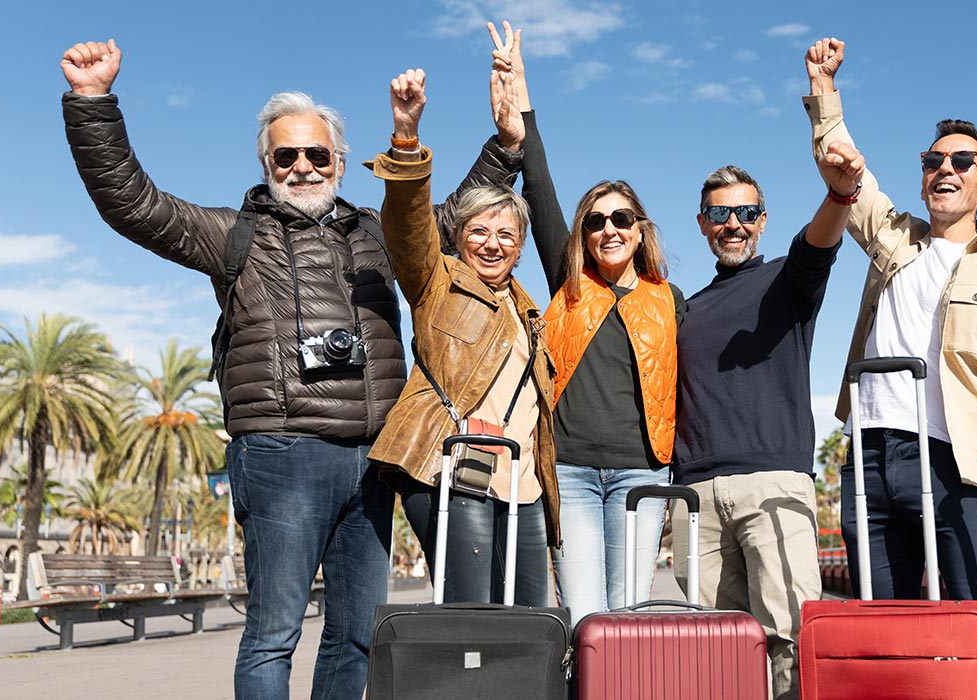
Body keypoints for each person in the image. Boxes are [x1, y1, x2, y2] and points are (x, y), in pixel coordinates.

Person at [60, 40, 523, 700]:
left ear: (338, 161)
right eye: (287, 156)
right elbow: (133, 203)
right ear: (267, 163)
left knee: (357, 633)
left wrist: (505, 146)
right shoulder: (231, 235)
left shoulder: (375, 230)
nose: (303, 166)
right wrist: (92, 103)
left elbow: (453, 219)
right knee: (275, 632)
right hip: (281, 454)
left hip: (373, 456)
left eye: (317, 154)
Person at [802, 38, 977, 693]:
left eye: (963, 161)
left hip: (952, 462)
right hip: (868, 457)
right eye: (935, 160)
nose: (945, 169)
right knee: (886, 628)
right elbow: (847, 170)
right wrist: (823, 89)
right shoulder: (891, 235)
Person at [488, 23, 683, 626]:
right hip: (569, 471)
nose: (609, 230)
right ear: (583, 233)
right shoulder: (568, 286)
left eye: (622, 218)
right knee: (583, 617)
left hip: (640, 473)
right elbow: (540, 187)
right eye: (596, 221)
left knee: (627, 616)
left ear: (641, 227)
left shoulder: (669, 298)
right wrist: (522, 105)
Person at [672, 130, 866, 695]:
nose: (734, 223)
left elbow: (818, 245)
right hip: (695, 496)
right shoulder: (685, 308)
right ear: (704, 223)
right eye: (721, 214)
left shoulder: (787, 281)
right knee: (710, 644)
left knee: (791, 634)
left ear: (763, 220)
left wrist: (838, 195)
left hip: (773, 485)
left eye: (747, 212)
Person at [370, 66, 559, 607]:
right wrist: (406, 140)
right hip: (449, 469)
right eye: (478, 231)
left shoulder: (530, 312)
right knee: (469, 617)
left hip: (520, 485)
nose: (492, 244)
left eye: (506, 235)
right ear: (456, 236)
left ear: (521, 248)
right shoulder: (437, 279)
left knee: (527, 620)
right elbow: (407, 227)